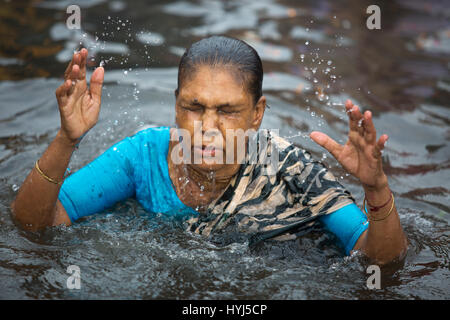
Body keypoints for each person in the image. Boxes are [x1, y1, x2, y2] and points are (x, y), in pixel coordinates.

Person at [11, 36, 407, 265]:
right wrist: (67, 139)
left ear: (257, 113)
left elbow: (380, 260)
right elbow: (35, 224)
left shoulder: (286, 167)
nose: (207, 127)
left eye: (227, 111)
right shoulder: (143, 156)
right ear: (175, 103)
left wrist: (376, 189)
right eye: (193, 107)